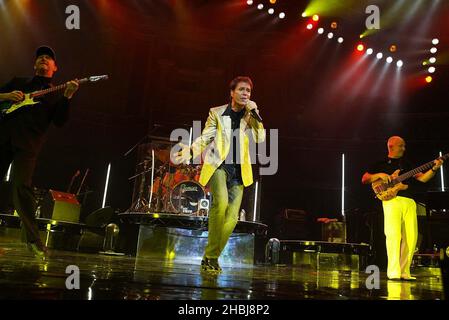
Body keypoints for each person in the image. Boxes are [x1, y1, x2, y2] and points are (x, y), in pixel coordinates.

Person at [176, 76, 265, 273]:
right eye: (241, 90)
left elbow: (260, 138)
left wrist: (256, 114)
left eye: (248, 91)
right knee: (221, 204)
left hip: (239, 170)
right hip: (219, 165)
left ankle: (210, 256)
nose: (245, 94)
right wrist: (191, 150)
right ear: (232, 93)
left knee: (232, 217)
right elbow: (206, 137)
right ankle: (212, 258)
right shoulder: (216, 112)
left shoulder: (250, 116)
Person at [0, 46, 79, 257]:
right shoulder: (18, 82)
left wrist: (67, 97)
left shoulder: (55, 94)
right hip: (3, 137)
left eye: (48, 58)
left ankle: (33, 241)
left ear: (55, 67)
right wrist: (6, 95)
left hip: (28, 145)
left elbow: (60, 121)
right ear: (35, 64)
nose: (44, 59)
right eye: (40, 57)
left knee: (21, 189)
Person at [362, 136, 443, 280]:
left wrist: (435, 168)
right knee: (393, 236)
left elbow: (423, 178)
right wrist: (379, 175)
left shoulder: (407, 164)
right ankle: (393, 272)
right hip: (392, 200)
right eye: (401, 146)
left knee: (411, 237)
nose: (404, 148)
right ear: (391, 146)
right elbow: (365, 178)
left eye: (404, 146)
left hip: (410, 201)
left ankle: (405, 272)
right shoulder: (380, 163)